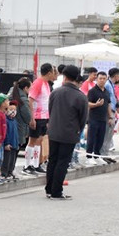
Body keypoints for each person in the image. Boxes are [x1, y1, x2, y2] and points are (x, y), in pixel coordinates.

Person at [44, 65, 88, 199]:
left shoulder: (55, 92)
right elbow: (83, 118)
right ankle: (57, 191)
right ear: (76, 78)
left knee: (53, 160)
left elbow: (50, 110)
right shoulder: (80, 96)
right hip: (69, 132)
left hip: (54, 130)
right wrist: (78, 130)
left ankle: (49, 189)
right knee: (63, 162)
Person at [23, 63, 54, 175]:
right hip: (36, 116)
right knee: (32, 140)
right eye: (53, 72)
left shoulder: (46, 84)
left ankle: (36, 164)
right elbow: (30, 100)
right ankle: (27, 165)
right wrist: (32, 118)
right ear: (49, 72)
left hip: (44, 116)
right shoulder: (38, 83)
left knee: (39, 140)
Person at [84, 71, 111, 165]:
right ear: (97, 79)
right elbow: (87, 103)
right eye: (100, 78)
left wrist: (110, 116)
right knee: (92, 137)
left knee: (101, 138)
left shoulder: (107, 92)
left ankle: (97, 155)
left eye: (104, 78)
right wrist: (96, 104)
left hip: (103, 119)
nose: (102, 80)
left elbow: (108, 104)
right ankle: (89, 156)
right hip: (93, 118)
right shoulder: (92, 91)